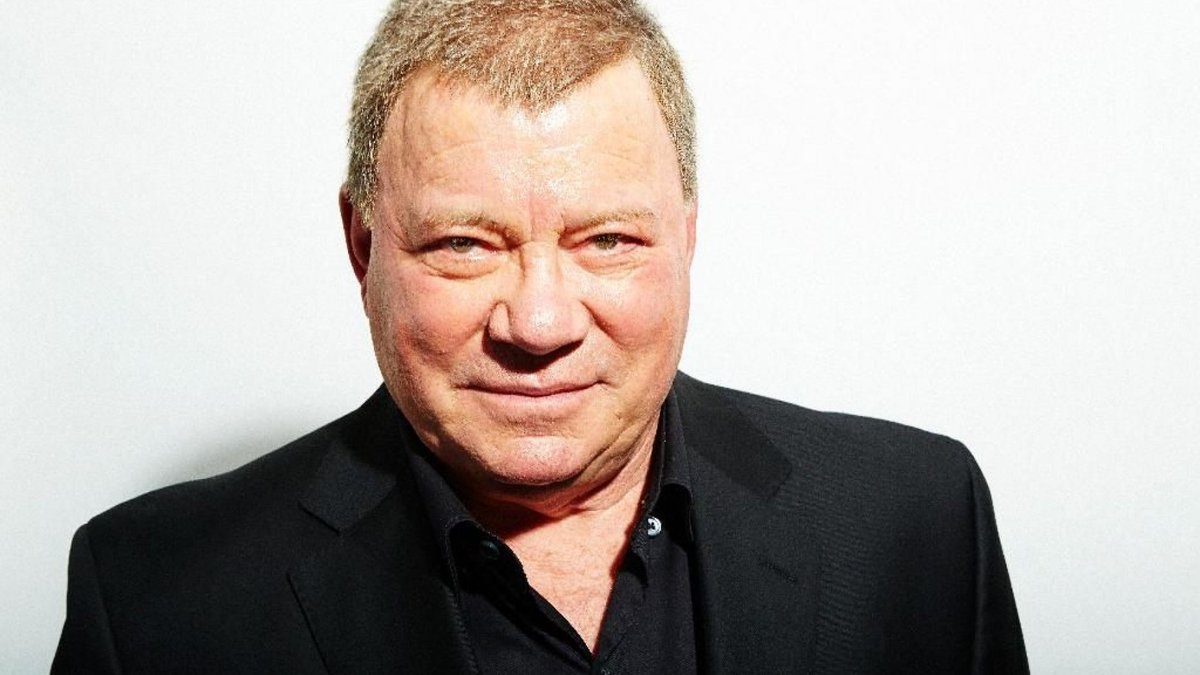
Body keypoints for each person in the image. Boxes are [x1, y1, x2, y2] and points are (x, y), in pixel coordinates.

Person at [52, 1, 1027, 672]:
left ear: (687, 238)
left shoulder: (917, 525)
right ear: (362, 246)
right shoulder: (155, 601)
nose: (541, 324)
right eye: (465, 245)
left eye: (608, 240)